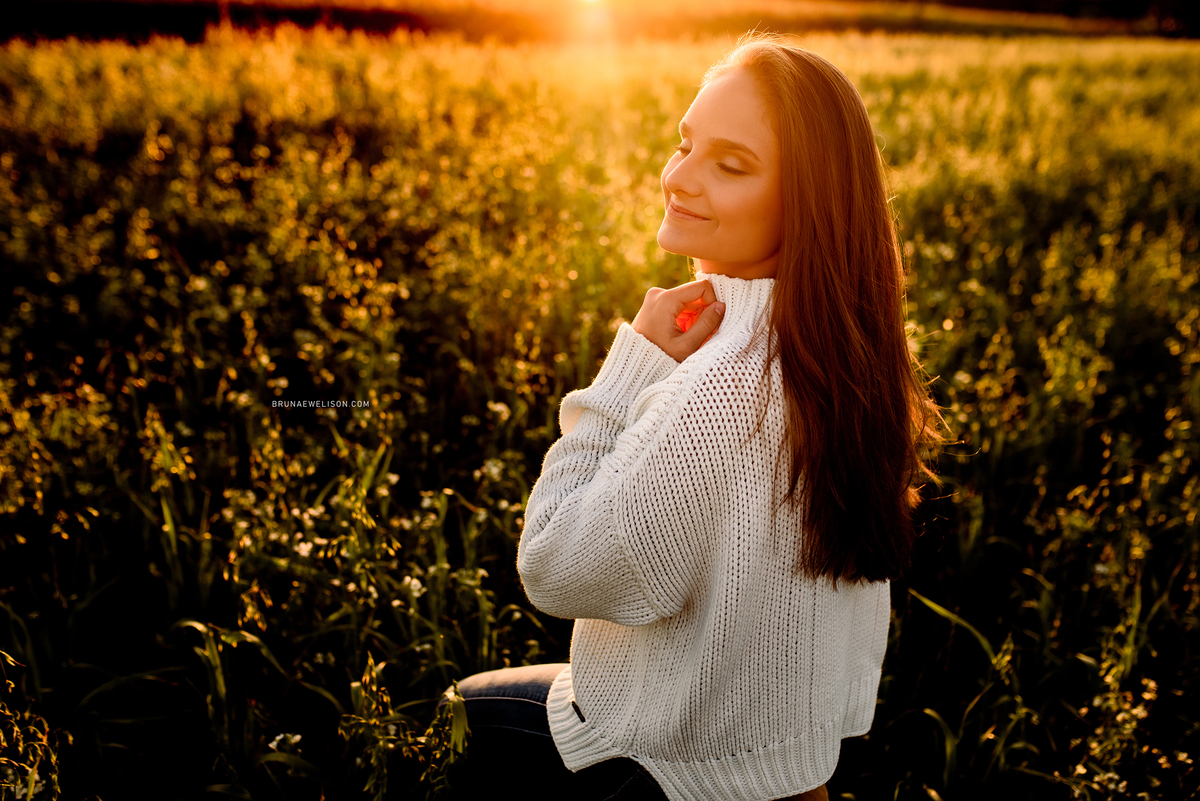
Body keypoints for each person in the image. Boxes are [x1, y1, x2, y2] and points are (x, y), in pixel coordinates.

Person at [443, 30, 945, 801]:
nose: (679, 177)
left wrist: (633, 363)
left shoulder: (719, 389)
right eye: (685, 144)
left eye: (730, 165)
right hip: (788, 753)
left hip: (676, 769)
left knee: (449, 718)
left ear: (806, 202)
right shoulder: (844, 351)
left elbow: (548, 564)